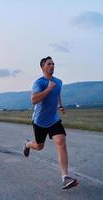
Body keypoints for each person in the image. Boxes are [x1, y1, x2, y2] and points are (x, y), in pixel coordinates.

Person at [23, 56, 78, 189]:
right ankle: (28, 144)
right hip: (40, 121)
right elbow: (34, 100)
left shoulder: (58, 82)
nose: (52, 66)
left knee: (61, 141)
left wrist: (60, 105)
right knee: (39, 146)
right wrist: (48, 89)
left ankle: (65, 177)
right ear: (43, 67)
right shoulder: (39, 83)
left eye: (53, 64)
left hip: (53, 119)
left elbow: (57, 93)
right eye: (49, 64)